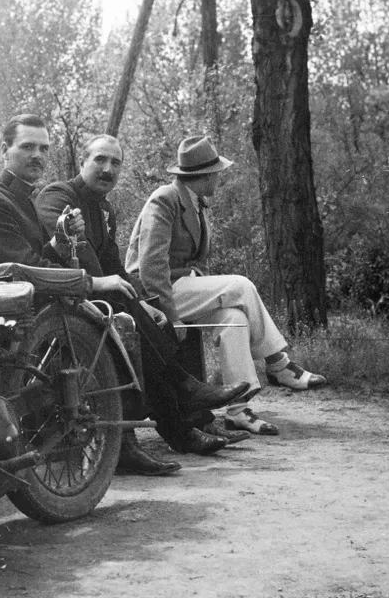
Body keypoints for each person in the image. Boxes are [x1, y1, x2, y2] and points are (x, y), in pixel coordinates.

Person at [0, 115, 248, 475]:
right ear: (5, 150)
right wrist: (94, 283)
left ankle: (179, 416)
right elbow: (22, 268)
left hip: (35, 300)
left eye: (44, 149)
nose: (38, 156)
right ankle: (166, 414)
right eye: (27, 147)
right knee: (119, 313)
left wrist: (61, 242)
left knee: (136, 309)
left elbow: (50, 259)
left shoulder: (29, 198)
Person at [37, 134, 253, 453]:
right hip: (60, 295)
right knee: (131, 315)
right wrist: (111, 287)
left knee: (158, 318)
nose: (108, 168)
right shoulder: (59, 195)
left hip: (96, 295)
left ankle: (192, 421)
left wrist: (143, 302)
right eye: (100, 159)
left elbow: (114, 263)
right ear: (82, 161)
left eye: (116, 163)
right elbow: (75, 249)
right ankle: (185, 401)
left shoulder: (103, 208)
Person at [125, 135, 326, 436]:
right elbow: (151, 266)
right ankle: (279, 364)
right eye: (217, 171)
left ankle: (239, 412)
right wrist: (172, 317)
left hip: (183, 287)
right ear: (202, 176)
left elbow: (192, 259)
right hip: (155, 295)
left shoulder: (197, 203)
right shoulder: (165, 199)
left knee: (235, 319)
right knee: (241, 285)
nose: (220, 176)